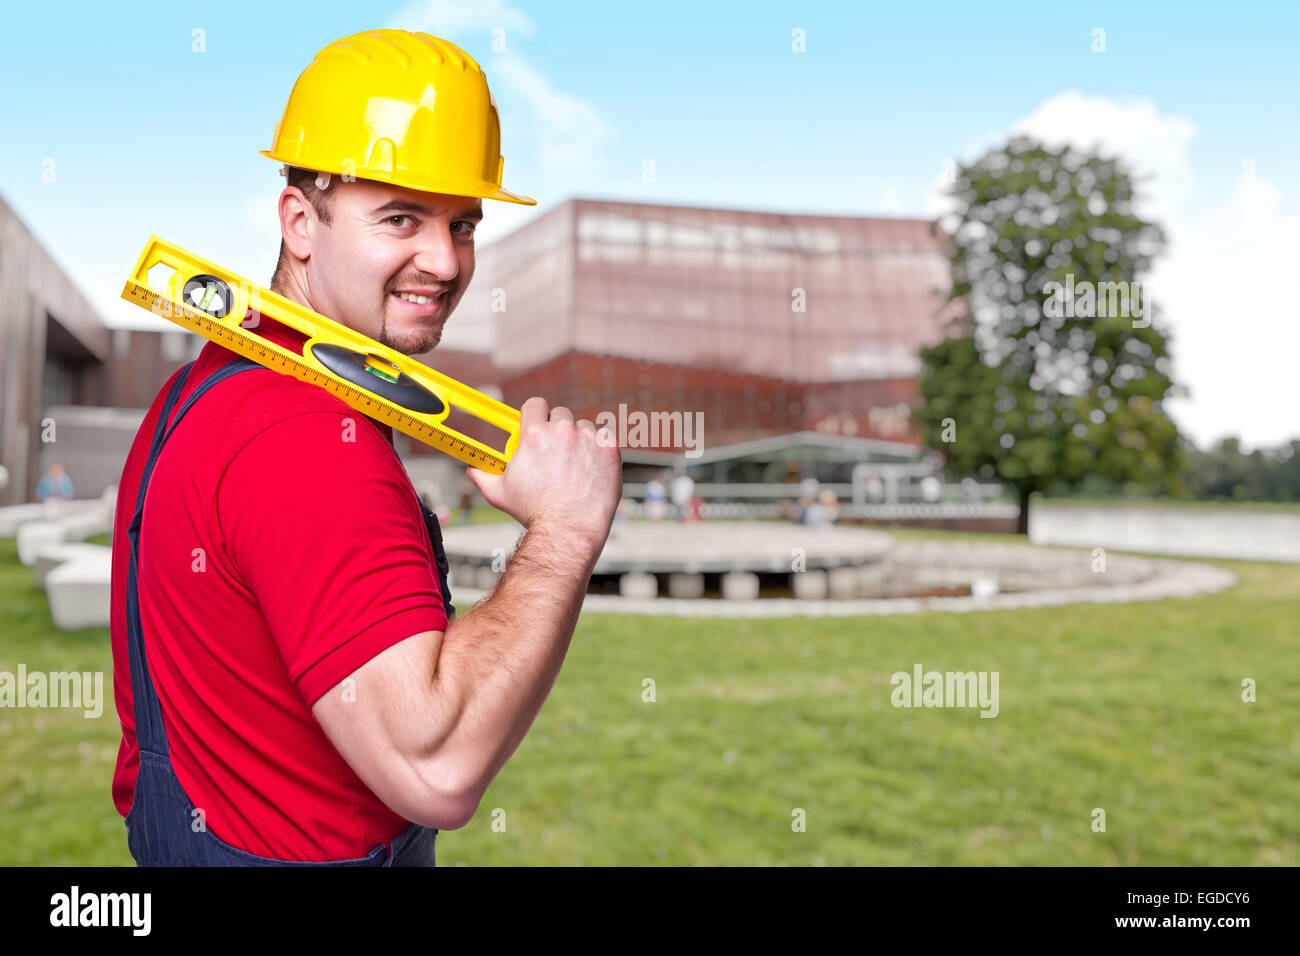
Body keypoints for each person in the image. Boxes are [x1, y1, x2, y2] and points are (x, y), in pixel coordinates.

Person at [109, 29, 622, 868]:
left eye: (462, 224)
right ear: (299, 221)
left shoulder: (208, 385)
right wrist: (564, 531)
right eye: (400, 218)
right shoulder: (305, 437)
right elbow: (435, 765)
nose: (444, 260)